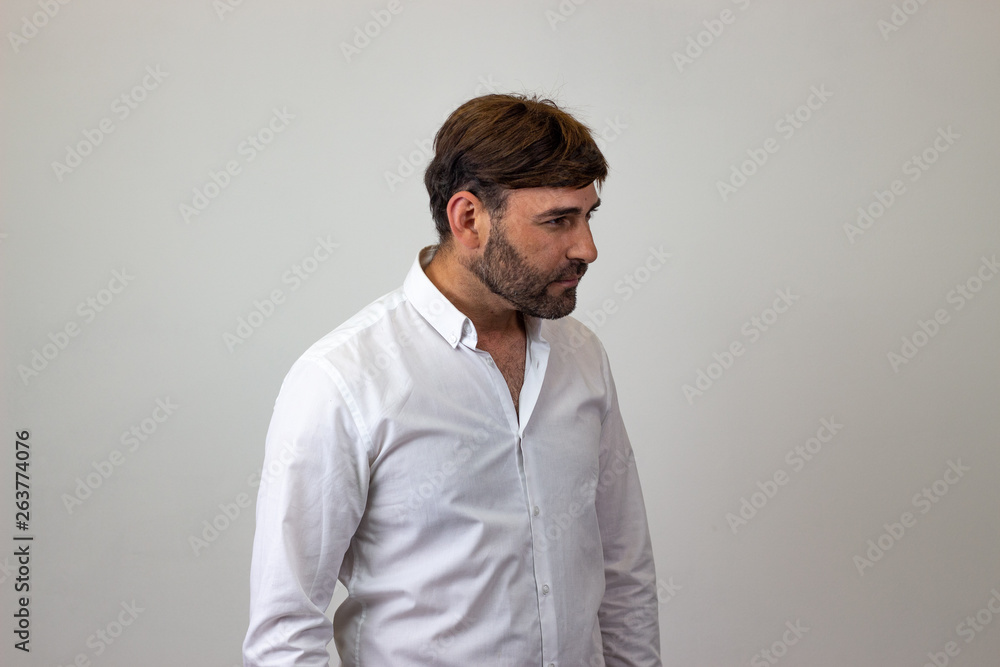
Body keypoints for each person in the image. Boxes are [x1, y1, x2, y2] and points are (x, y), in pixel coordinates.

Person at [243, 93, 661, 666]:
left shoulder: (581, 355)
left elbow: (624, 569)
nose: (586, 247)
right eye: (558, 221)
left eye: (587, 216)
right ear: (468, 219)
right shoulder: (343, 380)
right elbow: (285, 630)